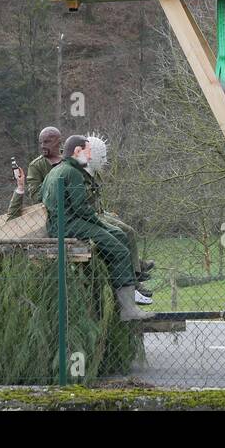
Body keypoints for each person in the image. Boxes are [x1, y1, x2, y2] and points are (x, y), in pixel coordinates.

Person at [42, 135, 151, 322]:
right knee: (119, 250)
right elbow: (81, 208)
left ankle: (130, 293)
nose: (91, 155)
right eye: (88, 150)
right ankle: (127, 308)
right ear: (77, 151)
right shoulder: (73, 172)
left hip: (60, 224)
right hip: (70, 225)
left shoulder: (55, 171)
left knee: (118, 234)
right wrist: (99, 224)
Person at [82, 134, 155, 305]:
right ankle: (136, 276)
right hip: (92, 216)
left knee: (128, 229)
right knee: (125, 232)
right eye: (102, 156)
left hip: (99, 211)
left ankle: (137, 268)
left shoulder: (93, 173)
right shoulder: (80, 174)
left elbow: (96, 200)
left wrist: (106, 213)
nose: (105, 161)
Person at [7, 126, 61, 219]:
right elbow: (36, 198)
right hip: (50, 215)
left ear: (58, 142)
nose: (42, 146)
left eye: (47, 142)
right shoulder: (36, 166)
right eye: (41, 142)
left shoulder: (70, 159)